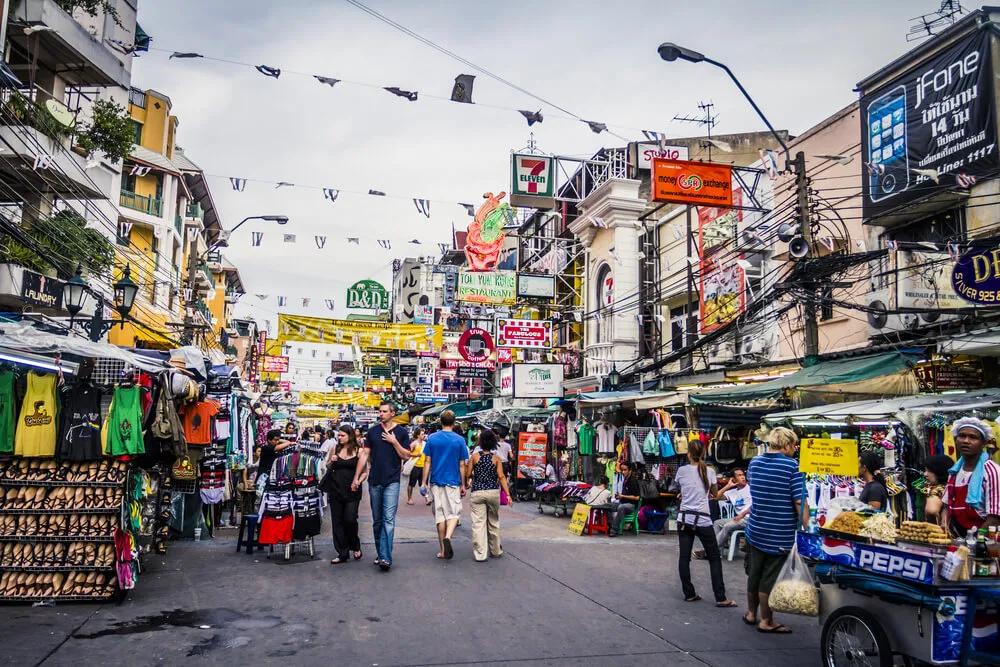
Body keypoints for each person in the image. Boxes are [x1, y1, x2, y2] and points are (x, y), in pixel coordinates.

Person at [744, 426, 806, 634]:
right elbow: (799, 501)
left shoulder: (755, 462)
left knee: (754, 573)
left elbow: (757, 490)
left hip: (755, 527)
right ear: (787, 445)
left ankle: (751, 613)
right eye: (794, 445)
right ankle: (766, 620)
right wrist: (808, 524)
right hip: (778, 532)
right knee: (769, 578)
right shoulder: (792, 467)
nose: (794, 449)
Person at [671, 440, 736, 607]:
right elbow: (714, 495)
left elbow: (683, 489)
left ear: (688, 454)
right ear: (703, 453)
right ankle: (720, 597)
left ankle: (689, 594)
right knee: (714, 558)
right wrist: (725, 488)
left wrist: (683, 495)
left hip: (684, 519)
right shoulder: (710, 471)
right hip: (703, 519)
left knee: (684, 558)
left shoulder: (682, 470)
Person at [353, 402, 411, 571]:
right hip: (374, 480)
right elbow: (364, 455)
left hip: (392, 481)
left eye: (385, 411)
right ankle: (381, 553)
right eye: (380, 411)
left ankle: (385, 557)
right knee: (377, 521)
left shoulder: (401, 432)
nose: (381, 414)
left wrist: (394, 442)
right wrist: (356, 477)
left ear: (393, 413)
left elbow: (406, 456)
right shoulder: (372, 431)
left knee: (388, 520)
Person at [421, 409, 469, 560]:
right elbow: (462, 465)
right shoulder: (460, 440)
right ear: (454, 423)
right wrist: (463, 483)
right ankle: (448, 536)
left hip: (436, 481)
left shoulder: (432, 438)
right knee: (454, 513)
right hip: (453, 481)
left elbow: (427, 461)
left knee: (440, 516)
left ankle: (442, 550)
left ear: (440, 421)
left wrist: (424, 482)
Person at [942, 417, 1000, 537]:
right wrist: (945, 525)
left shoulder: (992, 471)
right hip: (957, 536)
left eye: (973, 437)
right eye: (962, 436)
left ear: (983, 443)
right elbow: (946, 506)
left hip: (984, 539)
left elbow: (994, 518)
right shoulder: (954, 471)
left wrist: (975, 540)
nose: (966, 441)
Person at [465, 428, 513, 562]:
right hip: (493, 492)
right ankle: (496, 550)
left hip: (478, 492)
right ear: (493, 443)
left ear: (480, 442)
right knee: (493, 521)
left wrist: (470, 478)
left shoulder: (475, 457)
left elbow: (468, 474)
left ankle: (480, 554)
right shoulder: (496, 459)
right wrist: (508, 494)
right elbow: (502, 476)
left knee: (478, 523)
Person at [325, 425, 365, 565]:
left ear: (350, 436)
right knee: (337, 521)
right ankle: (342, 552)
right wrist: (332, 461)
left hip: (352, 490)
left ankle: (355, 544)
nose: (339, 437)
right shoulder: (335, 448)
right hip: (335, 489)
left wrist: (358, 481)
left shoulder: (359, 451)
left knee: (350, 519)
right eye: (339, 435)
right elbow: (327, 465)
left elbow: (365, 471)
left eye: (342, 435)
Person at [695, 468, 751, 560]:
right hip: (738, 519)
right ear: (733, 479)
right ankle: (717, 554)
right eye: (739, 475)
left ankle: (709, 551)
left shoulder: (751, 488)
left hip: (749, 519)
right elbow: (715, 497)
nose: (743, 477)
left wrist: (742, 515)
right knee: (717, 523)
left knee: (727, 526)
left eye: (743, 475)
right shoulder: (731, 492)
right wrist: (728, 486)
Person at [608, 464, 640, 537]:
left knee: (621, 507)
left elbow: (637, 497)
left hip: (631, 505)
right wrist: (619, 497)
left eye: (625, 470)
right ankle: (610, 526)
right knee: (608, 506)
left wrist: (623, 496)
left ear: (630, 471)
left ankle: (614, 530)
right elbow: (624, 495)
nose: (623, 472)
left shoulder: (633, 481)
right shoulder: (625, 480)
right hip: (623, 502)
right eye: (622, 470)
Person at [923, 454, 954, 526]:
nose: (925, 474)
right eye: (925, 470)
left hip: (940, 534)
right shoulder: (952, 487)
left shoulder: (937, 490)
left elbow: (931, 510)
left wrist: (932, 526)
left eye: (929, 471)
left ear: (939, 471)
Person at [406, 428, 428, 506]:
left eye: (424, 434)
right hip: (415, 466)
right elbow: (407, 453)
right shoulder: (414, 444)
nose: (424, 435)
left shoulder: (425, 443)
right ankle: (409, 498)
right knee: (411, 484)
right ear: (418, 435)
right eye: (422, 434)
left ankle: (427, 499)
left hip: (423, 466)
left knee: (424, 483)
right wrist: (416, 455)